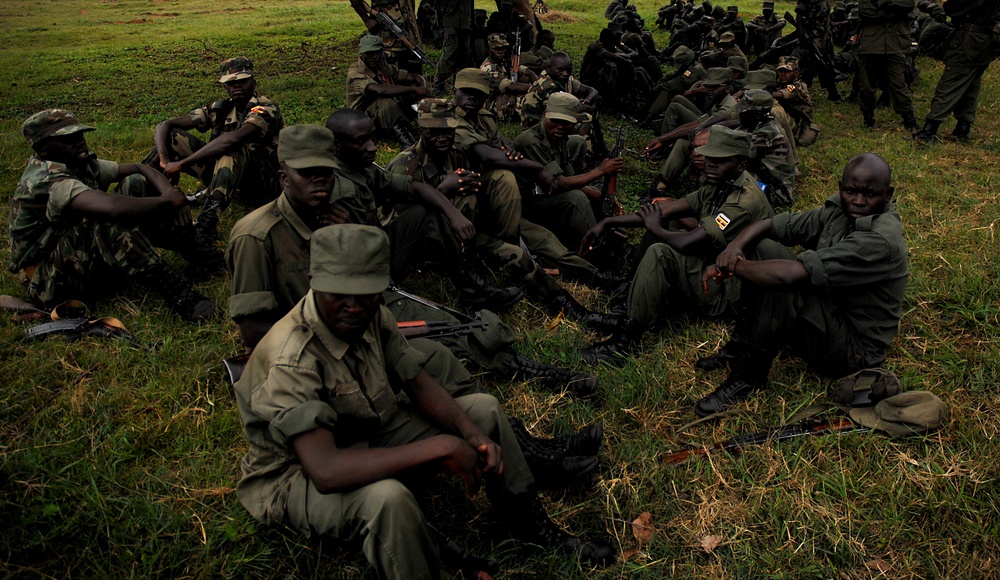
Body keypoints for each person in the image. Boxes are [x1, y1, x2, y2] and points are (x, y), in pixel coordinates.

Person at [233, 224, 615, 580]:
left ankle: (534, 528)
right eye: (339, 294)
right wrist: (439, 448)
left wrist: (467, 433)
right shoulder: (291, 356)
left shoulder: (371, 314)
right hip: (296, 472)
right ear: (313, 282)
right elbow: (326, 470)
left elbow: (417, 382)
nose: (354, 306)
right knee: (388, 501)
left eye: (366, 293)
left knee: (483, 410)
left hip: (365, 427)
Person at [695, 153, 908, 416]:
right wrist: (735, 247)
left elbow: (790, 275)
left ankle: (748, 378)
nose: (859, 201)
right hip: (831, 312)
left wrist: (731, 265)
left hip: (854, 351)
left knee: (785, 285)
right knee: (762, 247)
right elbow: (772, 224)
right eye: (851, 191)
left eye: (870, 194)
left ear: (888, 194)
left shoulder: (879, 239)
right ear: (841, 188)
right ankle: (740, 345)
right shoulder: (841, 213)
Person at [579, 126, 773, 364]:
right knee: (663, 224)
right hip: (712, 261)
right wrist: (608, 222)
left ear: (741, 164)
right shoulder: (720, 181)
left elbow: (686, 242)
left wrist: (655, 227)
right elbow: (665, 209)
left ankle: (625, 340)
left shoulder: (742, 201)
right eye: (710, 157)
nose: (710, 164)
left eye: (720, 160)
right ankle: (630, 296)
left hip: (726, 287)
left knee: (661, 251)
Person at [10, 109, 216, 322]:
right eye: (69, 139)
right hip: (48, 280)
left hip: (76, 260)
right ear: (44, 148)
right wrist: (167, 202)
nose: (80, 141)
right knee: (106, 218)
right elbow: (111, 207)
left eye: (79, 135)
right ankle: (181, 295)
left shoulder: (76, 163)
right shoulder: (46, 179)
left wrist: (172, 197)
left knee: (134, 184)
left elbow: (139, 168)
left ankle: (202, 255)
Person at [324, 107, 522, 311]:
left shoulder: (360, 166)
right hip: (365, 268)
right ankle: (473, 288)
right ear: (336, 145)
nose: (372, 147)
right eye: (361, 141)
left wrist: (453, 214)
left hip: (376, 244)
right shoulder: (339, 187)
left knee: (427, 210)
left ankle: (475, 291)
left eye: (372, 138)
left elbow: (415, 187)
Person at [149, 56, 283, 242]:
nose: (236, 86)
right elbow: (166, 125)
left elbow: (234, 139)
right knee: (173, 138)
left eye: (242, 81)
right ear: (224, 86)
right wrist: (165, 160)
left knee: (231, 148)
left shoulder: (264, 108)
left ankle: (207, 223)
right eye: (230, 83)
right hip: (228, 176)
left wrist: (183, 163)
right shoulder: (222, 108)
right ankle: (143, 197)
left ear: (253, 81)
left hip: (263, 182)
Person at [513, 93, 623, 252]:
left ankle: (601, 230)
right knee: (576, 198)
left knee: (584, 190)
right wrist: (601, 170)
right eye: (555, 120)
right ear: (545, 115)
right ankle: (596, 248)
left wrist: (599, 197)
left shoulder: (559, 138)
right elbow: (561, 184)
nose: (560, 126)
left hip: (547, 191)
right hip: (529, 202)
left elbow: (569, 178)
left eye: (567, 123)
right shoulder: (532, 141)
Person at [914, 0, 1000, 143]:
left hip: (970, 39)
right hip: (986, 40)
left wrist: (938, 9)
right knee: (971, 86)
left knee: (950, 83)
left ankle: (929, 130)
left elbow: (953, 8)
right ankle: (962, 129)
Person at [345, 34, 430, 149]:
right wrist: (414, 89)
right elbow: (380, 90)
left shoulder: (382, 66)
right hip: (362, 120)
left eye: (377, 53)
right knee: (386, 101)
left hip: (382, 113)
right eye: (369, 54)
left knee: (410, 93)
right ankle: (406, 141)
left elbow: (415, 77)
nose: (374, 57)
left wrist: (421, 91)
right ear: (362, 54)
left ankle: (428, 124)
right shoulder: (356, 72)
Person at [855, 0, 918, 130]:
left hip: (895, 42)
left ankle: (908, 118)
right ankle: (868, 116)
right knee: (866, 84)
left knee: (898, 83)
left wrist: (882, 3)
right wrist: (893, 12)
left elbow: (909, 5)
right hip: (871, 43)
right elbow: (864, 12)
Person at [349, 0, 425, 74]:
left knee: (413, 75)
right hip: (387, 42)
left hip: (410, 39)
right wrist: (366, 19)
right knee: (388, 76)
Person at [480, 33, 538, 123]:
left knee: (526, 80)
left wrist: (531, 74)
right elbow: (511, 86)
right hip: (493, 104)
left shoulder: (502, 62)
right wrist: (536, 88)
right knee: (527, 99)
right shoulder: (488, 68)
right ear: (488, 49)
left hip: (504, 97)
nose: (500, 51)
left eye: (503, 48)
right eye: (496, 49)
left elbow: (524, 70)